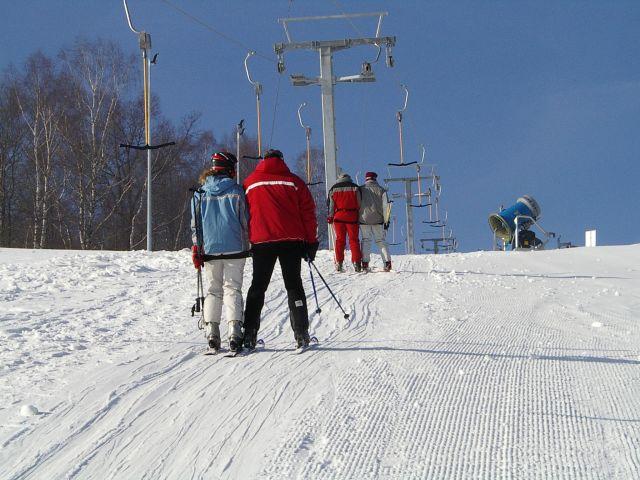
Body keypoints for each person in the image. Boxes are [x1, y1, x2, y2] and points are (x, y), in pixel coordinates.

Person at [242, 149, 319, 350]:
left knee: (258, 286)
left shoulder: (250, 183)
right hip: (291, 240)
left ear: (263, 162)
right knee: (293, 285)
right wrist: (311, 243)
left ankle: (249, 333)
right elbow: (308, 213)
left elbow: (243, 213)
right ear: (282, 161)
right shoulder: (295, 182)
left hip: (262, 240)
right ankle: (301, 332)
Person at [191, 152, 250, 352]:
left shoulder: (199, 194)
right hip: (235, 248)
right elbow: (245, 220)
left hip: (209, 250)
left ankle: (212, 333)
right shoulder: (237, 191)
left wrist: (197, 248)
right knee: (233, 288)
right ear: (229, 169)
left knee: (213, 290)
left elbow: (195, 226)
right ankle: (234, 331)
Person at [327, 172, 362, 272]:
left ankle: (339, 262)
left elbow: (331, 205)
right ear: (349, 178)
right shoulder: (355, 187)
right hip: (352, 217)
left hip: (338, 217)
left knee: (340, 240)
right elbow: (359, 203)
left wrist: (330, 216)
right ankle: (356, 263)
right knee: (354, 240)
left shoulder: (334, 189)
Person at [359, 171, 392, 272]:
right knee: (380, 240)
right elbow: (386, 207)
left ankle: (365, 263)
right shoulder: (382, 190)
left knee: (366, 240)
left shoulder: (360, 189)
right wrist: (387, 221)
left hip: (364, 219)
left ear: (366, 179)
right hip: (378, 219)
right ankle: (387, 263)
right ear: (375, 179)